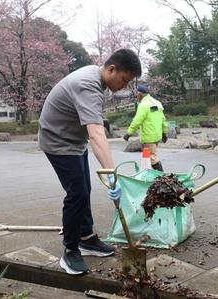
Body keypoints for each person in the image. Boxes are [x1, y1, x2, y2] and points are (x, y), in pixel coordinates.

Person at [38, 49, 142, 275]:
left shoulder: (96, 78)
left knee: (84, 188)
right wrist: (112, 177)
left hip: (74, 140)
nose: (124, 87)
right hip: (58, 142)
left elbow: (92, 128)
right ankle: (70, 250)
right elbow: (96, 133)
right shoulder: (88, 85)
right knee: (77, 194)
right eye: (124, 80)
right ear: (112, 69)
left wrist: (109, 174)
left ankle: (86, 238)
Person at [123, 84, 168, 171]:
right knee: (148, 156)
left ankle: (162, 178)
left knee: (152, 157)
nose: (136, 95)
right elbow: (163, 119)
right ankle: (149, 175)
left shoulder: (143, 105)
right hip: (157, 135)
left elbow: (137, 121)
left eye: (137, 93)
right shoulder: (157, 103)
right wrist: (164, 133)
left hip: (149, 136)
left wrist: (128, 133)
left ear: (140, 94)